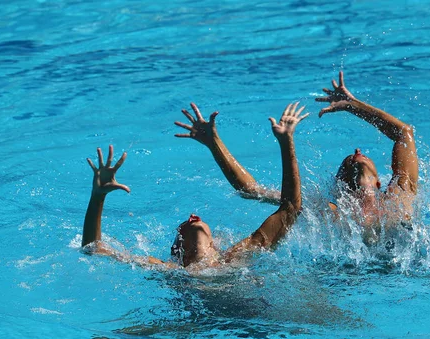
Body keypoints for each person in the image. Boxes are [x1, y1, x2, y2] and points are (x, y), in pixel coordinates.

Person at [175, 72, 418, 244]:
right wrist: (213, 143)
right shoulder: (324, 208)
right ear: (340, 183)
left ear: (378, 182)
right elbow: (249, 189)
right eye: (348, 160)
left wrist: (353, 105)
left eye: (361, 155)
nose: (356, 151)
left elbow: (403, 133)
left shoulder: (400, 197)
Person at [81, 102, 307, 273]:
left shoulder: (237, 257)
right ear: (176, 252)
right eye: (185, 224)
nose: (192, 216)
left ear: (214, 245)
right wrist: (97, 196)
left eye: (195, 219)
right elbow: (93, 249)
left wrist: (286, 141)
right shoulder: (171, 270)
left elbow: (290, 209)